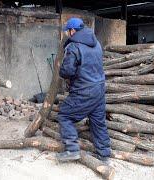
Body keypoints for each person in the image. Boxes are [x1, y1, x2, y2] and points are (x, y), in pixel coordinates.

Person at [56, 18, 111, 162]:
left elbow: (67, 71)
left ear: (72, 31)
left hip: (84, 90)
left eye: (67, 32)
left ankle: (72, 149)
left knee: (64, 115)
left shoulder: (74, 46)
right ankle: (104, 155)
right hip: (99, 88)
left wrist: (61, 69)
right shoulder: (96, 43)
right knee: (98, 121)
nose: (67, 34)